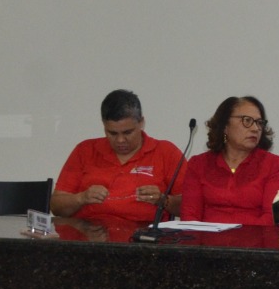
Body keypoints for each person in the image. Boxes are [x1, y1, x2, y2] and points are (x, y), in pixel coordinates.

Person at [50, 89, 187, 222]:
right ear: (103, 125)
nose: (120, 140)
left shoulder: (166, 152)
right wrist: (81, 198)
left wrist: (163, 200)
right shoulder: (85, 150)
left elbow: (189, 207)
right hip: (88, 231)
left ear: (141, 123)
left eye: (127, 132)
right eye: (112, 133)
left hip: (145, 233)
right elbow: (56, 206)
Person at [181, 95, 279, 226]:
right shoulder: (198, 164)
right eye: (247, 120)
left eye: (259, 123)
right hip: (206, 238)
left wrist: (236, 233)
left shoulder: (273, 165)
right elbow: (189, 216)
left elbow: (272, 219)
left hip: (255, 238)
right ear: (225, 126)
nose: (255, 128)